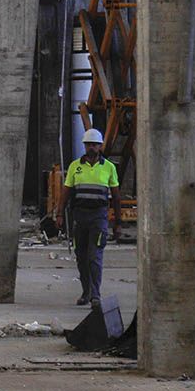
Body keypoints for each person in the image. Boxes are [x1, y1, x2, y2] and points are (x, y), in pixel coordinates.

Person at [55, 129, 122, 308]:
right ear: (84, 146)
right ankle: (86, 292)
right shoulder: (74, 167)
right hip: (80, 216)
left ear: (100, 146)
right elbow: (66, 192)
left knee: (94, 256)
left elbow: (116, 197)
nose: (91, 148)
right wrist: (59, 213)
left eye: (94, 145)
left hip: (98, 217)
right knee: (81, 257)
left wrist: (117, 223)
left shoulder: (109, 167)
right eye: (88, 145)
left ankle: (95, 295)